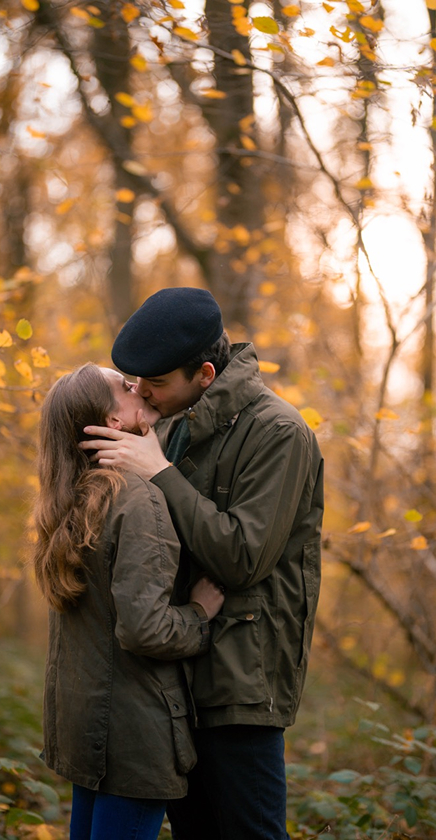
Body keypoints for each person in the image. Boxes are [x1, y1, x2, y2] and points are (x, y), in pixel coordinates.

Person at [80, 287, 324, 840]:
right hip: (174, 676)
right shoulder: (168, 421)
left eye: (157, 383)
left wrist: (159, 471)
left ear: (206, 374)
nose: (142, 393)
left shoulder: (279, 432)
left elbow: (243, 558)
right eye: (136, 382)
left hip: (242, 682)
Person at [32, 362, 224, 840]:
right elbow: (145, 628)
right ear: (112, 421)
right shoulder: (136, 498)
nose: (138, 386)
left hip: (85, 732)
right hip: (132, 740)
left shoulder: (70, 499)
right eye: (124, 385)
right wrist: (199, 614)